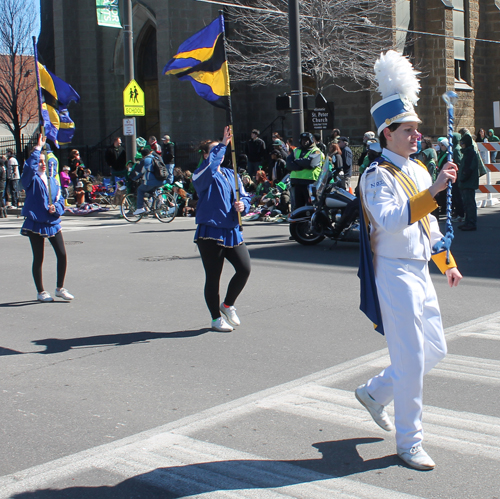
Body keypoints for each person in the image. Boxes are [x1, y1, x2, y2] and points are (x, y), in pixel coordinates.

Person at [356, 50, 462, 471]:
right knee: (411, 358)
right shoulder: (375, 176)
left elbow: (428, 227)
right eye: (408, 129)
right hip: (394, 272)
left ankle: (375, 393)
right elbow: (394, 219)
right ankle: (409, 442)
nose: (417, 135)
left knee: (433, 350)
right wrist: (434, 190)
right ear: (387, 133)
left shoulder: (418, 170)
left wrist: (446, 262)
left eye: (417, 129)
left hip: (420, 270)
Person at [192, 126, 252, 332]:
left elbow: (244, 196)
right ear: (206, 154)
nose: (222, 153)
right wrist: (223, 145)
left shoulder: (230, 173)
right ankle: (215, 318)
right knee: (213, 277)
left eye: (222, 149)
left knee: (244, 269)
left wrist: (244, 205)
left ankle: (227, 305)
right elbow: (211, 167)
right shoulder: (201, 174)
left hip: (232, 230)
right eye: (216, 150)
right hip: (210, 231)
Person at [20, 134, 73, 302]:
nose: (42, 164)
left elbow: (59, 201)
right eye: (39, 161)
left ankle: (60, 288)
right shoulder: (31, 179)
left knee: (62, 254)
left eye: (44, 161)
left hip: (52, 222)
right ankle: (41, 291)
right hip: (35, 222)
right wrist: (37, 149)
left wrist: (55, 208)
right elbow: (29, 167)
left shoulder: (53, 181)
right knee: (39, 257)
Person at [286, 132, 323, 211]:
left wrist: (295, 162)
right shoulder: (296, 150)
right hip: (296, 182)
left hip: (310, 183)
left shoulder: (316, 151)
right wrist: (302, 165)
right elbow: (288, 164)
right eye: (303, 140)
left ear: (311, 141)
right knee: (297, 207)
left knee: (311, 206)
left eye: (307, 140)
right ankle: (299, 223)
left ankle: (310, 222)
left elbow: (310, 163)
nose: (305, 142)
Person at [133, 146, 166, 215]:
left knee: (140, 190)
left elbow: (141, 172)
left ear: (143, 155)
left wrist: (134, 178)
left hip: (151, 181)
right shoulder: (157, 157)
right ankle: (156, 207)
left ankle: (140, 208)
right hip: (162, 180)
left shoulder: (146, 160)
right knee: (152, 191)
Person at [457, 133, 480, 231]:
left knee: (470, 204)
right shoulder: (467, 153)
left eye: (462, 143)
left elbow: (469, 168)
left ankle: (471, 223)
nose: (461, 145)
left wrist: (463, 177)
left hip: (468, 183)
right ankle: (467, 222)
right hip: (466, 183)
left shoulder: (470, 154)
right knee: (466, 204)